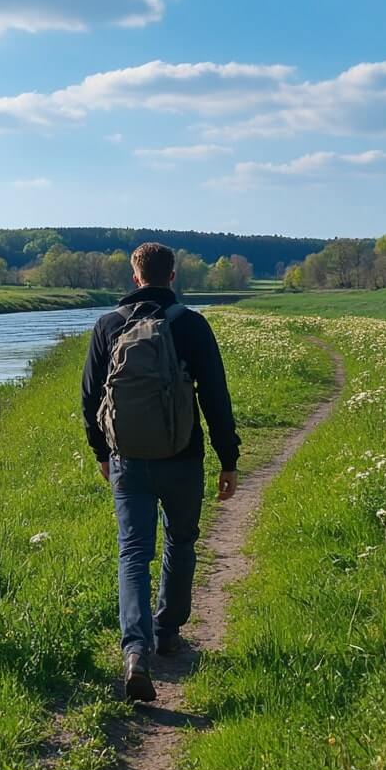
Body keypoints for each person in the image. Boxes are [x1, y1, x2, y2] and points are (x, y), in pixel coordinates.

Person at [80, 242, 241, 702]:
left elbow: (90, 399)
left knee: (133, 552)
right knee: (181, 540)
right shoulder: (191, 324)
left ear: (135, 277)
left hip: (127, 459)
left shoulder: (108, 325)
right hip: (183, 456)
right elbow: (215, 396)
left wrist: (102, 452)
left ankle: (135, 650)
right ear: (173, 276)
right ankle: (167, 632)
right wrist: (228, 458)